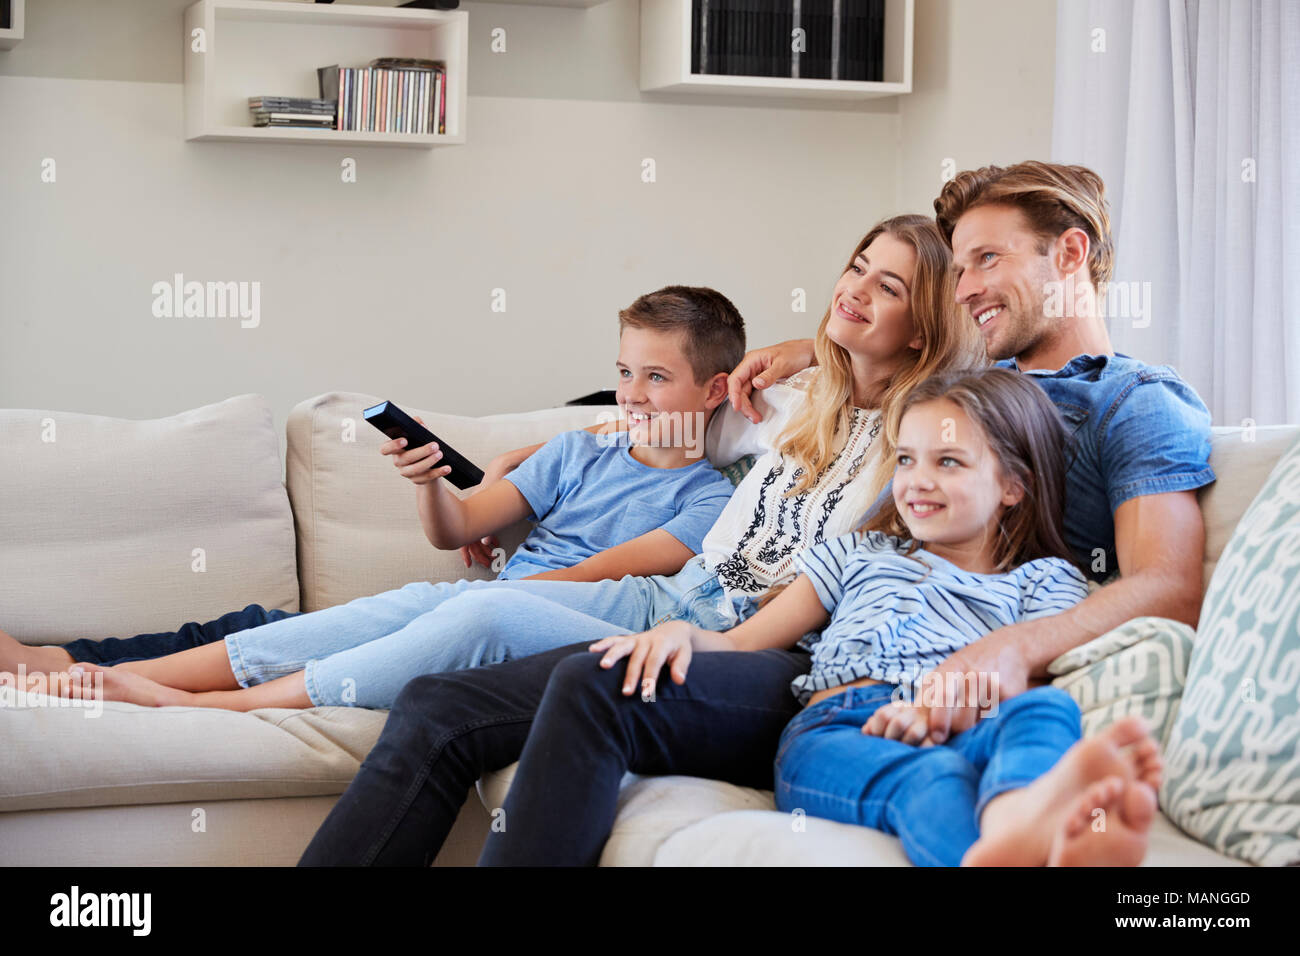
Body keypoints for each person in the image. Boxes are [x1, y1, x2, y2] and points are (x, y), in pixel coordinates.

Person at [298, 162, 1214, 868]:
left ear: (1070, 256)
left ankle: (1012, 826)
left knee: (586, 680)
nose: (971, 283)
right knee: (439, 703)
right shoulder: (963, 387)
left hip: (839, 664)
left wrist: (1011, 648)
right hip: (812, 627)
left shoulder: (1132, 401)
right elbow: (851, 360)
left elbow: (1168, 587)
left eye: (989, 259)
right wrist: (802, 350)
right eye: (962, 263)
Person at [296, 213, 982, 864]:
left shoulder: (930, 435)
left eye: (886, 288)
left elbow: (990, 393)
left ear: (922, 329)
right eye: (856, 268)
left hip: (776, 648)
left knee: (582, 676)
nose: (855, 290)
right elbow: (658, 420)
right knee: (437, 703)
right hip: (680, 602)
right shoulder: (785, 402)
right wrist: (522, 455)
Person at [9, 286, 744, 710]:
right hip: (488, 605)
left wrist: (479, 596)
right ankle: (90, 676)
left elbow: (595, 575)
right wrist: (428, 480)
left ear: (713, 390)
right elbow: (457, 526)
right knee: (389, 608)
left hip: (540, 619)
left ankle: (156, 693)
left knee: (440, 606)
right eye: (624, 372)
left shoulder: (711, 499)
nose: (631, 394)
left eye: (656, 377)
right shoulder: (579, 451)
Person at [596, 367, 1161, 866]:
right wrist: (681, 634)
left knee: (1045, 709)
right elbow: (743, 644)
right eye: (907, 459)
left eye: (948, 462)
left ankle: (1020, 821)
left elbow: (1027, 676)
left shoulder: (1046, 579)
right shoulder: (856, 552)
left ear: (1013, 485)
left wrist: (936, 715)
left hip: (962, 724)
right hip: (841, 728)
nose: (918, 480)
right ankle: (988, 855)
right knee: (934, 780)